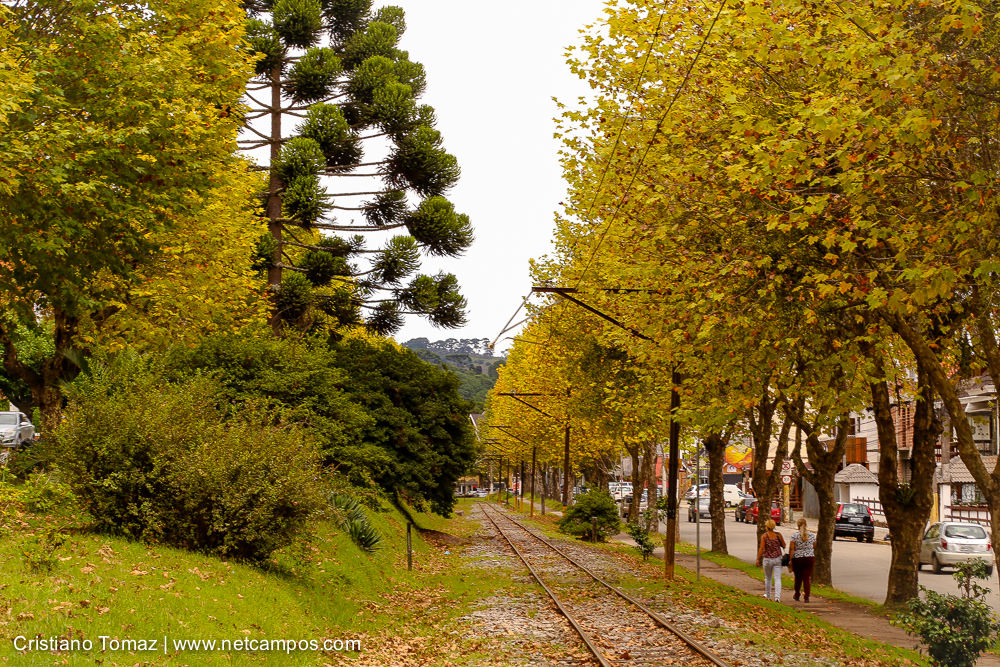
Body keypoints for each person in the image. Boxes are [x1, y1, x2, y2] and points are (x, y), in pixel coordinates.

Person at [756, 518, 786, 602]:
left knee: (768, 578)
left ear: (767, 527)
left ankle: (768, 595)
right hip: (778, 558)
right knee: (777, 578)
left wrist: (758, 558)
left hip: (767, 559)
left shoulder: (764, 536)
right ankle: (777, 597)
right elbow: (784, 545)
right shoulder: (778, 535)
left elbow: (762, 548)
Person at [789, 518, 816, 602]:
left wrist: (790, 559)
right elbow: (814, 545)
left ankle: (797, 594)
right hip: (809, 558)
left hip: (797, 558)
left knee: (798, 577)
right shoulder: (811, 535)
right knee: (806, 578)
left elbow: (792, 548)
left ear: (798, 525)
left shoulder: (795, 535)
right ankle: (807, 597)